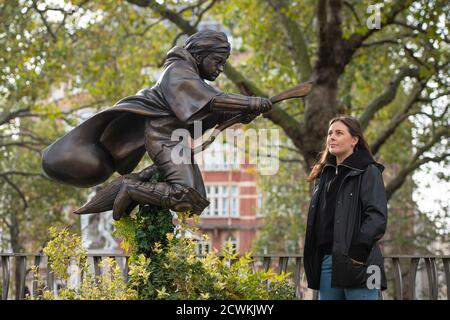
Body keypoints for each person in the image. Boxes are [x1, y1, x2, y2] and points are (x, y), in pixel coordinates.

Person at [42, 30, 272, 220]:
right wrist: (251, 102)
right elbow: (213, 100)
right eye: (218, 61)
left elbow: (202, 115)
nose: (220, 68)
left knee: (195, 200)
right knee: (185, 196)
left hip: (176, 140)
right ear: (201, 54)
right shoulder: (178, 72)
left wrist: (237, 115)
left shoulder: (188, 75)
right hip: (163, 140)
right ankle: (132, 188)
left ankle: (140, 182)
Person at [303, 116, 388, 300]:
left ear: (354, 140)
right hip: (327, 262)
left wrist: (358, 254)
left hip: (361, 262)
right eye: (330, 133)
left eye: (339, 133)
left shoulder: (369, 171)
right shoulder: (325, 176)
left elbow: (377, 216)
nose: (331, 137)